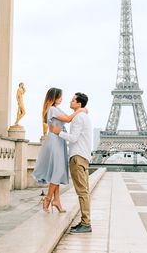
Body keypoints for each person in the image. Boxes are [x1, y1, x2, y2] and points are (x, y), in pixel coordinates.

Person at [32, 87, 86, 213]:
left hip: (59, 140)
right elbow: (68, 119)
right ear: (54, 97)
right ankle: (48, 198)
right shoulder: (51, 109)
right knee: (58, 170)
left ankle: (57, 201)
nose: (62, 99)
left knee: (57, 170)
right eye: (60, 96)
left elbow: (67, 117)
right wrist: (81, 110)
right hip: (55, 140)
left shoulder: (56, 109)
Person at [50, 92, 92, 233]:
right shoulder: (84, 116)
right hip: (83, 157)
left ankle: (86, 224)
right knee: (84, 191)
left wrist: (58, 132)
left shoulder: (79, 117)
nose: (70, 101)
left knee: (82, 192)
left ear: (79, 104)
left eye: (73, 100)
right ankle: (85, 222)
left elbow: (73, 138)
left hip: (77, 157)